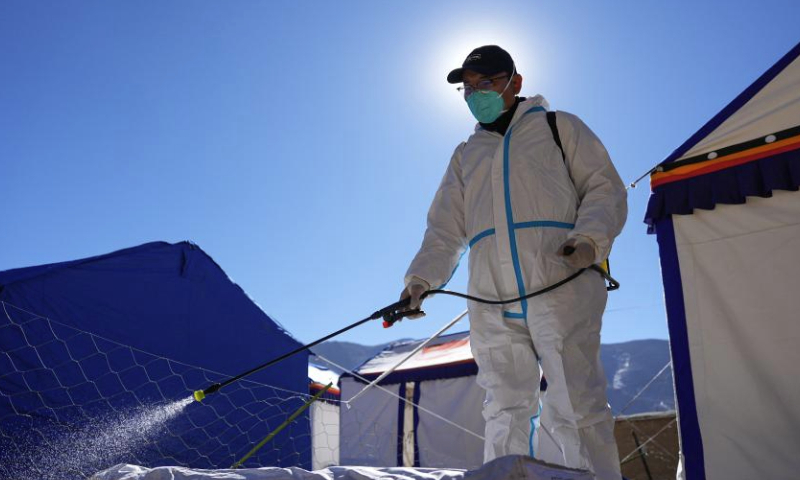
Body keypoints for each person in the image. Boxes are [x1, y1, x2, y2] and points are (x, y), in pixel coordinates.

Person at [400, 45, 627, 480]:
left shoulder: (559, 128)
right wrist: (420, 280)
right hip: (489, 294)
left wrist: (588, 241)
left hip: (559, 280)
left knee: (575, 403)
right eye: (467, 88)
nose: (474, 94)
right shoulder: (467, 154)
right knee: (503, 407)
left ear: (515, 83)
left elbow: (605, 188)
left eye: (485, 83)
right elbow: (445, 229)